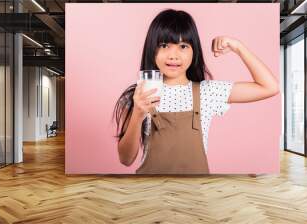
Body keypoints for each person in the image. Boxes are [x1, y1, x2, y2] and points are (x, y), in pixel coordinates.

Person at [113, 9, 279, 174]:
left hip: (196, 193)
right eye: (164, 45)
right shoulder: (138, 95)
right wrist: (137, 113)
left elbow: (269, 87)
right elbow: (126, 159)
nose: (173, 55)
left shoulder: (208, 92)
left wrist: (238, 47)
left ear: (195, 51)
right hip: (151, 193)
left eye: (183, 46)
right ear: (152, 49)